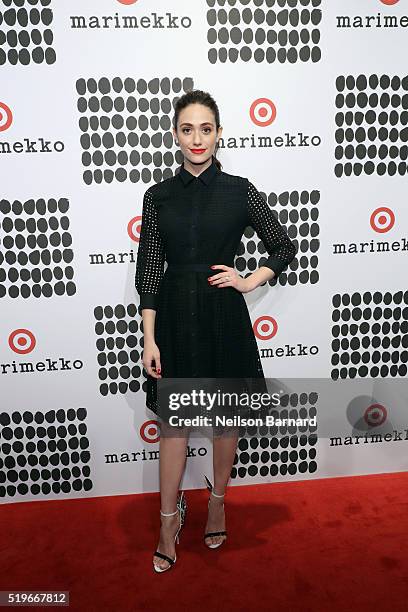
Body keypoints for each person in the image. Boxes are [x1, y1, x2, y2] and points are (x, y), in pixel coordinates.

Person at [135, 89, 297, 573]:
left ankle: (218, 501)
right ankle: (168, 520)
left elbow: (282, 246)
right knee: (174, 425)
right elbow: (148, 271)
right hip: (176, 320)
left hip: (225, 317)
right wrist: (149, 335)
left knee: (227, 420)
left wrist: (249, 280)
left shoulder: (240, 189)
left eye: (206, 128)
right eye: (188, 129)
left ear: (219, 133)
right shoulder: (158, 195)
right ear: (175, 136)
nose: (197, 138)